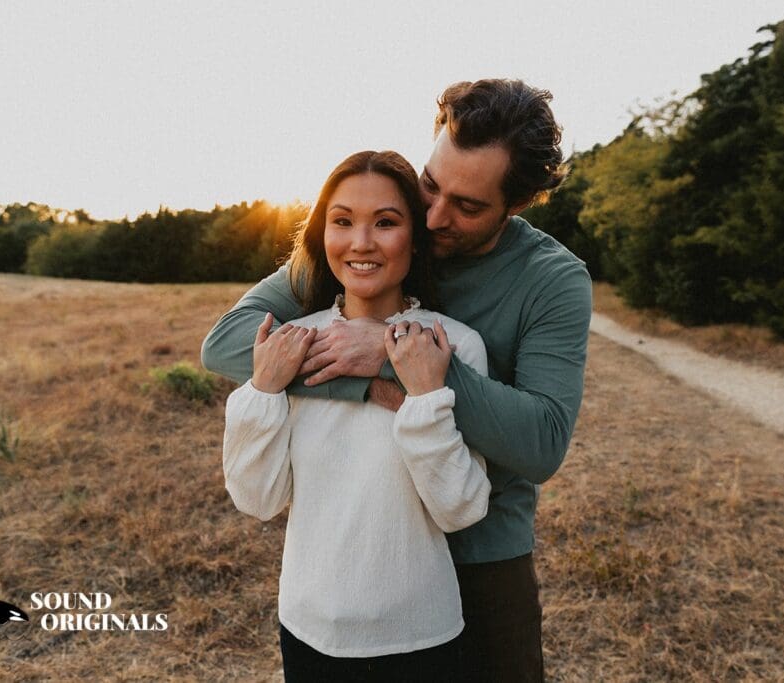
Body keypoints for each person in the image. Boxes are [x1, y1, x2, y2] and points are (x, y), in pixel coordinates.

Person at [203, 79, 593, 682]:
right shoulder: (380, 234)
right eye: (431, 185)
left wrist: (390, 360)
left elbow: (541, 442)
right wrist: (373, 382)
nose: (435, 217)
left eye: (467, 206)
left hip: (485, 556)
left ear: (515, 206)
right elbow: (230, 344)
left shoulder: (552, 279)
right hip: (354, 566)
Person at [222, 150, 492, 681]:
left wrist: (423, 396)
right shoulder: (293, 345)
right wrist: (264, 389)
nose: (361, 243)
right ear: (323, 235)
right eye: (342, 221)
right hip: (309, 628)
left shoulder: (453, 344)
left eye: (385, 223)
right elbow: (258, 501)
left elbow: (461, 509)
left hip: (423, 634)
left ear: (415, 238)